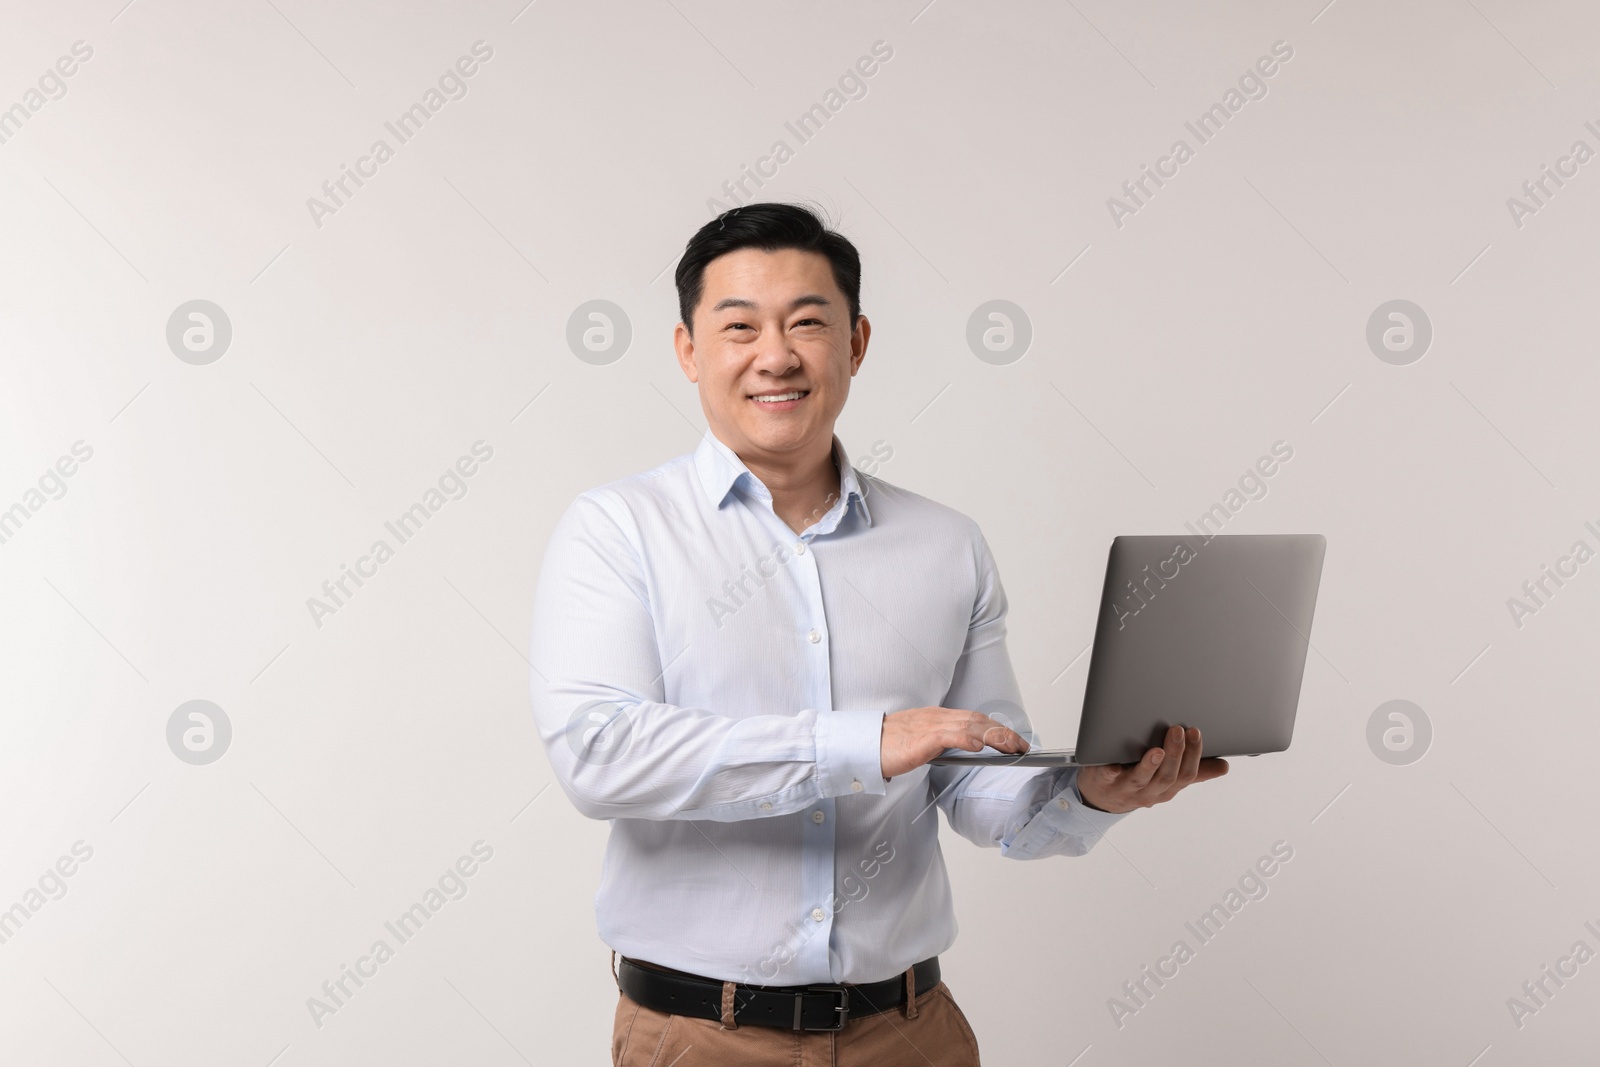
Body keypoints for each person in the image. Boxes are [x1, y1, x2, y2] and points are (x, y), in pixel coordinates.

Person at [528, 202, 1228, 1066]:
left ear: (855, 344)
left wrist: (1090, 795)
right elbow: (599, 755)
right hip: (704, 1037)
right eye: (740, 326)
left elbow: (976, 787)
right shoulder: (618, 529)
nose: (776, 355)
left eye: (807, 323)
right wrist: (870, 740)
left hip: (911, 1033)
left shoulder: (945, 544)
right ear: (689, 351)